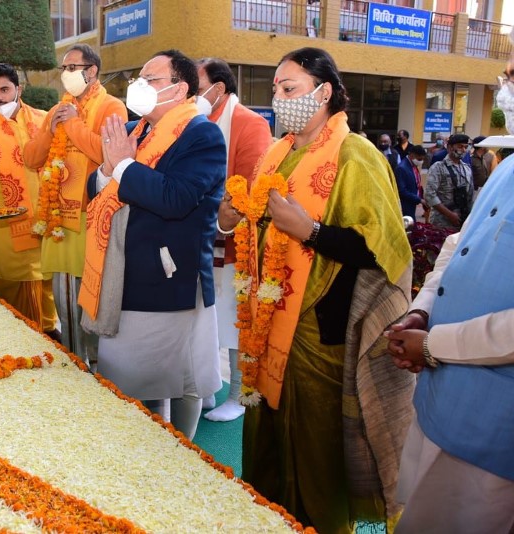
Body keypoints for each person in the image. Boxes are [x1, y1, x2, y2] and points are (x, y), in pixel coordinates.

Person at [221, 48, 413, 533]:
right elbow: (256, 221)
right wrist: (231, 219)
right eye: (276, 90)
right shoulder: (277, 152)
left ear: (324, 92)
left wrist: (311, 231)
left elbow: (381, 249)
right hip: (265, 323)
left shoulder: (356, 154)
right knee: (267, 447)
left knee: (314, 455)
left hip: (317, 327)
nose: (280, 99)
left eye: (291, 88)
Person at [385, 55, 514, 531]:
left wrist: (434, 345)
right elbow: (460, 248)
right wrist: (422, 311)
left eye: (513, 77)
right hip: (441, 399)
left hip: (495, 428)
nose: (504, 89)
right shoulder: (505, 165)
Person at [79, 49, 227, 440]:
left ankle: (184, 449)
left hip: (171, 274)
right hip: (127, 270)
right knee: (130, 382)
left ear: (179, 90)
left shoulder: (201, 134)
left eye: (150, 79)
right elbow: (98, 185)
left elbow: (176, 199)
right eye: (137, 79)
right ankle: (143, 446)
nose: (138, 87)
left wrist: (123, 167)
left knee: (183, 378)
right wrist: (108, 170)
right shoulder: (135, 129)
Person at [24, 44, 128, 363]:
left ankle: (96, 367)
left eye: (72, 68)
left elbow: (108, 155)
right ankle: (72, 361)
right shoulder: (60, 109)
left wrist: (73, 126)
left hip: (93, 219)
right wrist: (52, 130)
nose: (66, 74)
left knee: (91, 302)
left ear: (92, 71)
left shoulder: (112, 107)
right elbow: (31, 158)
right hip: (59, 220)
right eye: (64, 68)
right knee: (65, 305)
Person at [196, 57, 273, 422]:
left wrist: (221, 219)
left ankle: (240, 393)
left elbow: (249, 190)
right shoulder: (198, 121)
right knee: (207, 316)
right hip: (200, 236)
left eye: (197, 88)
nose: (192, 96)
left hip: (234, 239)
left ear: (219, 89)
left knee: (233, 317)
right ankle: (210, 387)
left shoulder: (249, 124)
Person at [0, 63, 59, 339]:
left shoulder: (43, 118)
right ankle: (12, 335)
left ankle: (49, 332)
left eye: (4, 89)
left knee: (46, 274)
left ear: (18, 89)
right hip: (7, 214)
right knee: (8, 273)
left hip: (45, 210)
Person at [424, 133, 474, 231]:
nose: (463, 150)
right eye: (460, 146)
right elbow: (429, 195)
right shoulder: (438, 167)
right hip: (441, 223)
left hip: (462, 221)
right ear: (450, 147)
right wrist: (450, 214)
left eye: (465, 147)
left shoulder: (467, 169)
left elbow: (470, 196)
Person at [394, 144, 427, 220]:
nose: (421, 162)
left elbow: (416, 183)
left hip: (412, 203)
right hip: (405, 205)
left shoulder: (413, 166)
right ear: (412, 155)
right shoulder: (402, 168)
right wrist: (419, 199)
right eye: (419, 159)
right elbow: (402, 191)